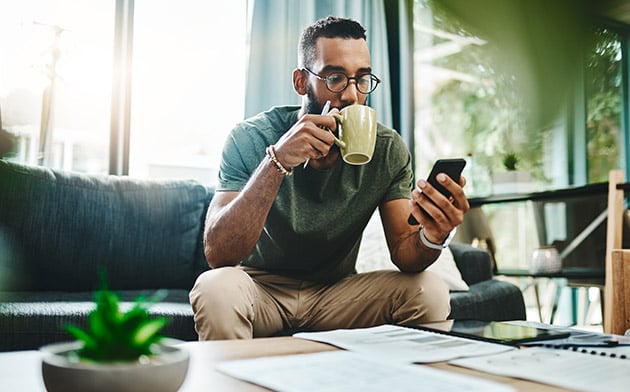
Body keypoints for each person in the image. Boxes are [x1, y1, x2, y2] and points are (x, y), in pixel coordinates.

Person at [189, 16, 469, 340]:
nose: (351, 96)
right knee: (215, 288)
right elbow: (218, 254)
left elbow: (406, 255)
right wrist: (276, 162)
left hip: (337, 295)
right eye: (335, 78)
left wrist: (434, 235)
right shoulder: (250, 138)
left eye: (362, 79)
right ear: (300, 82)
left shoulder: (387, 150)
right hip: (260, 289)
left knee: (429, 290)